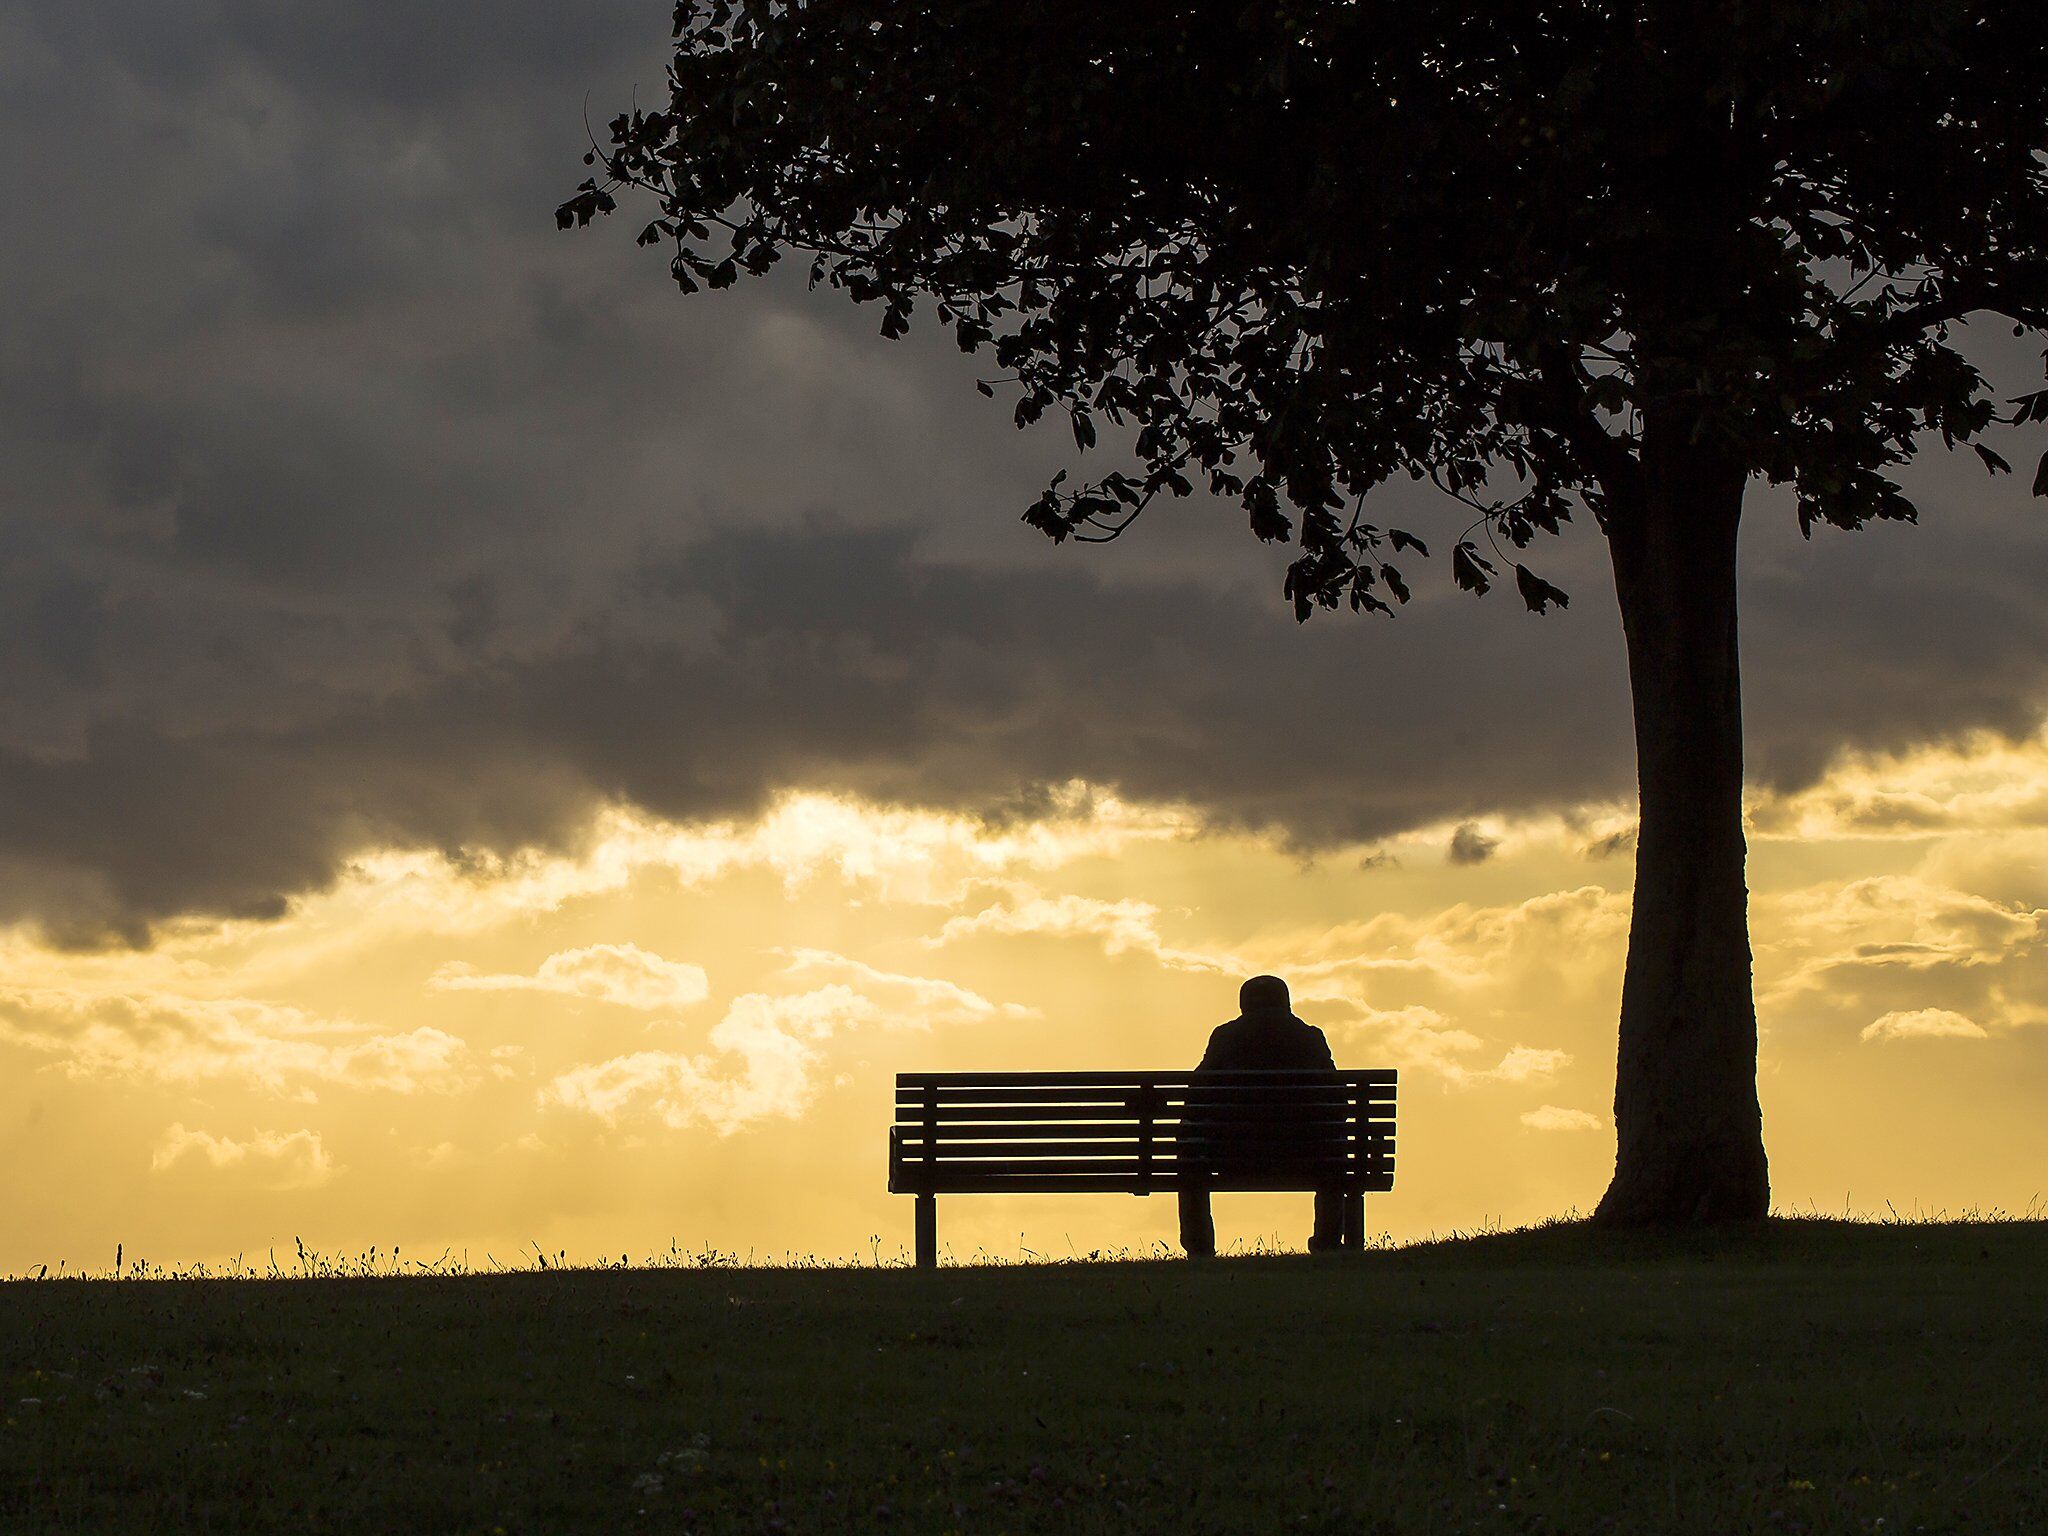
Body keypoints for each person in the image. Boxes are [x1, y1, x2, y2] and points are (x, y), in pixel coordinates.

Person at [1179, 975, 1347, 1258]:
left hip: (1232, 1156)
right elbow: (1337, 1099)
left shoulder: (1225, 1037)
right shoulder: (1310, 1037)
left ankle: (1199, 1247)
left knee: (1189, 1152)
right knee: (1335, 1150)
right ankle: (1327, 1243)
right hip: (1305, 1155)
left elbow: (1196, 1095)